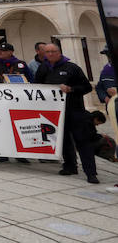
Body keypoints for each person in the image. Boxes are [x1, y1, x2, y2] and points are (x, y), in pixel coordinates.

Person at [35, 43, 98, 183]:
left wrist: (71, 89)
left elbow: (86, 87)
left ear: (59, 52)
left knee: (82, 141)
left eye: (53, 51)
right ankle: (70, 166)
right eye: (48, 52)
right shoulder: (43, 68)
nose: (50, 54)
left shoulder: (72, 67)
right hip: (55, 112)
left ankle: (91, 172)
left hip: (75, 110)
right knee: (63, 140)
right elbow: (37, 86)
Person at [0, 42, 33, 165]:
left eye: (3, 50)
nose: (0, 52)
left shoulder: (20, 64)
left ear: (11, 52)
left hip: (18, 101)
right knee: (1, 127)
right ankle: (3, 153)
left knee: (19, 127)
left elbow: (30, 80)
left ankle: (21, 154)